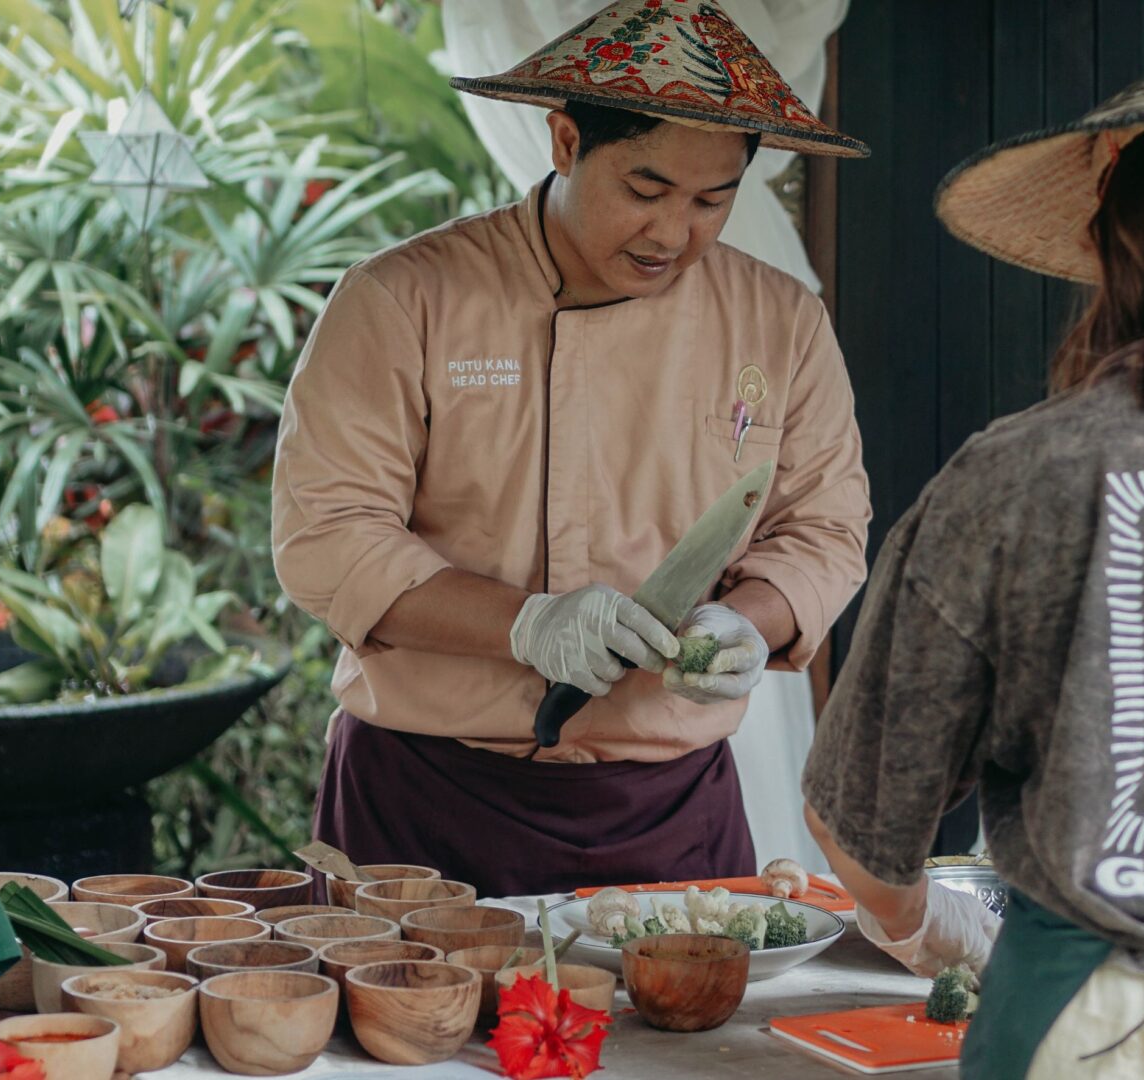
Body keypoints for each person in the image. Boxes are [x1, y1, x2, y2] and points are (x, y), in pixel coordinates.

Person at [272, 0, 871, 898]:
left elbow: (824, 529)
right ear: (564, 141)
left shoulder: (780, 323)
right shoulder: (402, 300)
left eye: (712, 201)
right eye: (645, 191)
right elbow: (327, 538)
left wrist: (752, 619)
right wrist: (526, 625)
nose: (673, 233)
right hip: (422, 796)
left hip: (670, 810)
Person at [803, 4, 1144, 1078]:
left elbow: (859, 817)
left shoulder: (1022, 474)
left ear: (1113, 245)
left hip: (1101, 1033)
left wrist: (921, 925)